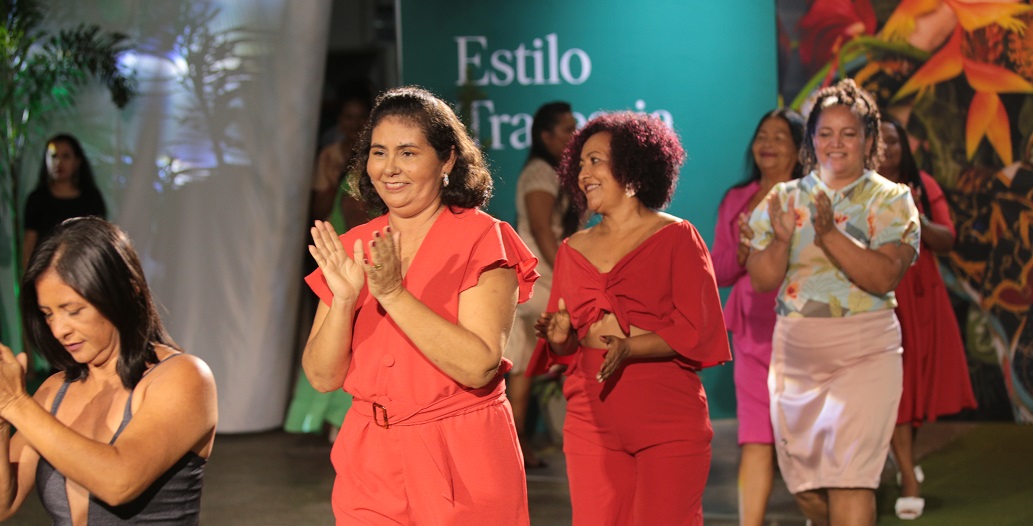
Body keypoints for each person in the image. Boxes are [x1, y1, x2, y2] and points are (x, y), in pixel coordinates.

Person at [302, 86, 538, 525]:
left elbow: (478, 365)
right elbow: (321, 376)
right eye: (378, 152)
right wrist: (345, 301)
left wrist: (392, 294)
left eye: (408, 152)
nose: (390, 168)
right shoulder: (353, 247)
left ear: (447, 159)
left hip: (461, 455)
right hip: (370, 461)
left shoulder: (484, 239)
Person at [529, 112, 731, 525]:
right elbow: (565, 346)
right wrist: (561, 336)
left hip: (666, 411)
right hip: (591, 413)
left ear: (634, 168)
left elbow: (699, 327)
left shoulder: (677, 237)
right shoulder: (572, 248)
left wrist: (631, 347)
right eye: (580, 163)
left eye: (596, 161)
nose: (584, 172)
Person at [746, 79, 920, 526]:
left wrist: (828, 236)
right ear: (811, 140)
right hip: (797, 354)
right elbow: (763, 280)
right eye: (825, 133)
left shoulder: (892, 199)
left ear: (868, 140)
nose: (836, 143)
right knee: (806, 488)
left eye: (848, 133)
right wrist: (781, 241)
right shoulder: (783, 198)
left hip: (867, 349)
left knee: (851, 478)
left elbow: (882, 275)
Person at [0, 217, 217, 524]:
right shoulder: (55, 390)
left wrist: (17, 404)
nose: (59, 330)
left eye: (73, 311)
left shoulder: (184, 377)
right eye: (48, 315)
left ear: (128, 292)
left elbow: (119, 482)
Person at [880, 115, 976, 520]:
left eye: (893, 142)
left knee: (916, 388)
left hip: (924, 298)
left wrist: (913, 212)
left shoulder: (925, 187)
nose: (887, 150)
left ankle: (905, 460)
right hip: (883, 296)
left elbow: (948, 239)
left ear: (905, 147)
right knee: (894, 390)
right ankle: (908, 474)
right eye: (879, 142)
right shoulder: (858, 192)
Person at [712, 108, 805, 526]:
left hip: (805, 332)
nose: (768, 143)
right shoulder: (736, 198)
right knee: (755, 438)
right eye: (762, 135)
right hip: (750, 332)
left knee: (806, 440)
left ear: (800, 148)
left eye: (780, 136)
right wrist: (744, 252)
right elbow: (721, 268)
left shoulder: (812, 196)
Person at [284, 83, 373, 440]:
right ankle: (324, 417)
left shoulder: (376, 160)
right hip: (335, 253)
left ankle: (350, 415)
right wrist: (336, 181)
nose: (353, 123)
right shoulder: (329, 157)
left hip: (371, 255)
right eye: (347, 117)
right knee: (332, 335)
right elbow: (318, 211)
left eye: (359, 117)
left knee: (361, 338)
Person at [505, 101, 578, 468]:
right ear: (544, 136)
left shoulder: (559, 173)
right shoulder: (539, 172)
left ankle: (519, 446)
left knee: (523, 367)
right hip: (541, 280)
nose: (574, 135)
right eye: (566, 130)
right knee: (534, 362)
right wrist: (568, 276)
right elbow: (539, 230)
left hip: (538, 280)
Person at [22, 134, 107, 269]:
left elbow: (100, 241)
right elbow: (29, 244)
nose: (59, 162)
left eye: (66, 156)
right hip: (45, 272)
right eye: (54, 156)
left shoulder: (92, 199)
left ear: (77, 161)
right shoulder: (37, 199)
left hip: (83, 271)